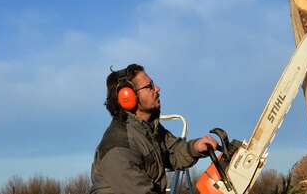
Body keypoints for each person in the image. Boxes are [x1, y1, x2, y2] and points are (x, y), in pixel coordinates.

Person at [90, 63, 218, 194]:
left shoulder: (148, 128)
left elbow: (172, 152)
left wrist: (195, 147)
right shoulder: (118, 148)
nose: (157, 88)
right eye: (149, 86)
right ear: (128, 97)